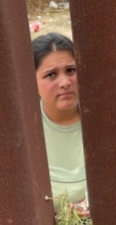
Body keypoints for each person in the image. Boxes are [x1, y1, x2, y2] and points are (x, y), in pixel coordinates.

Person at [32, 32, 88, 213]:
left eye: (71, 70)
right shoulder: (25, 128)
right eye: (51, 75)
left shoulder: (104, 118)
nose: (64, 82)